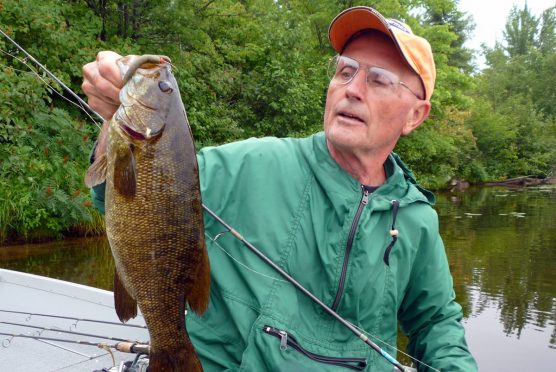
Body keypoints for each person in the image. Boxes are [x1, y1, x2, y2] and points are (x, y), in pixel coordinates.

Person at [82, 6, 478, 372]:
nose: (352, 89)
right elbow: (125, 196)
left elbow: (436, 325)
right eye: (345, 71)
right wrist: (113, 113)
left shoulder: (416, 219)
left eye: (379, 80)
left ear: (415, 115)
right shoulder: (250, 164)